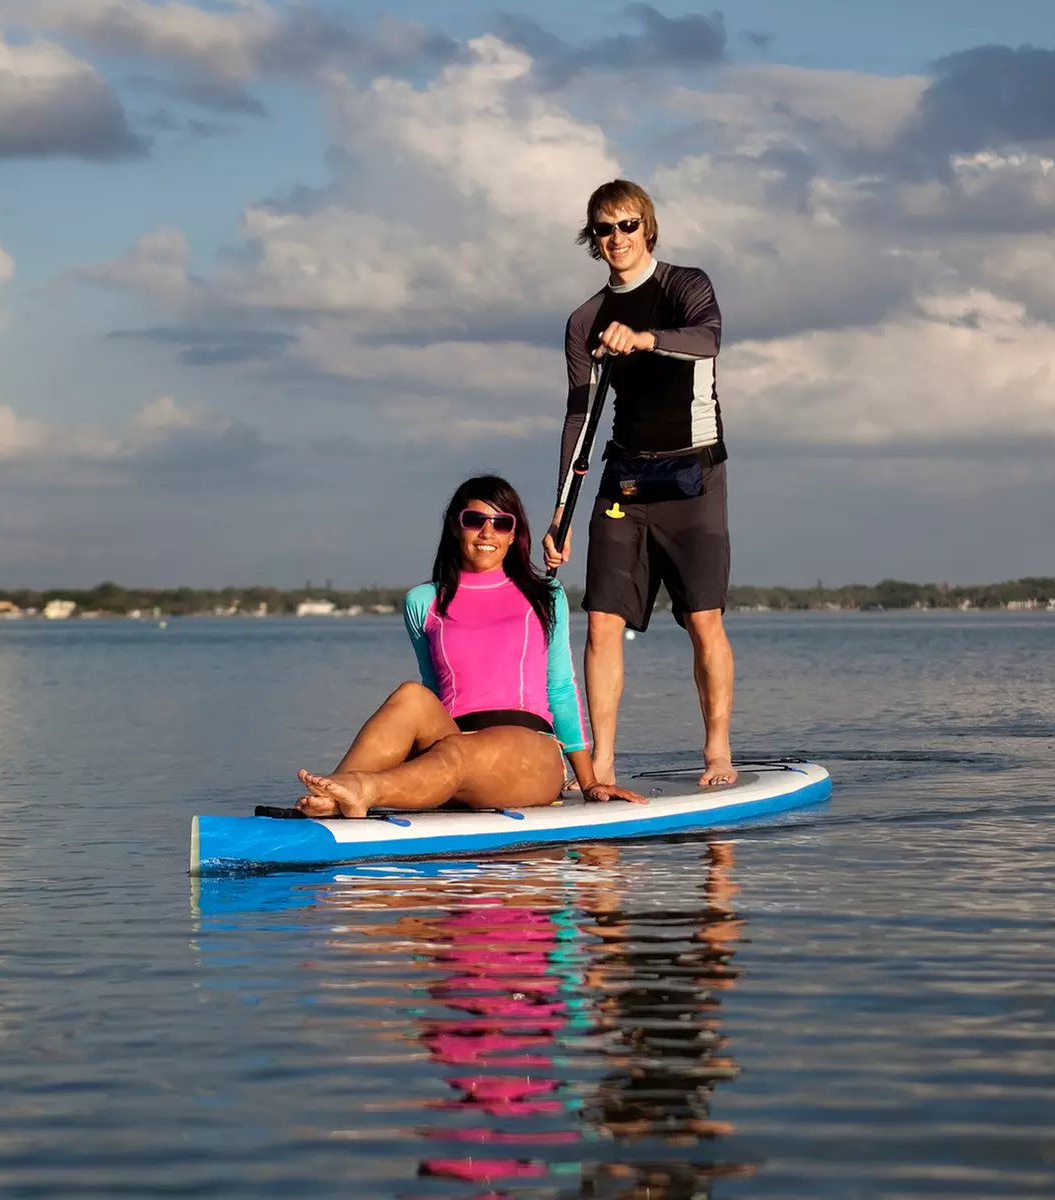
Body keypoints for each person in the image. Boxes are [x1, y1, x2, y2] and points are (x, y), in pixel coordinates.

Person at [296, 475, 645, 817]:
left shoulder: (544, 596)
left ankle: (361, 790)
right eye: (475, 520)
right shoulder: (424, 601)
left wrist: (590, 783)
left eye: (501, 523)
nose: (488, 532)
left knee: (458, 751)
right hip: (452, 742)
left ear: (514, 535)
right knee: (412, 696)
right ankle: (334, 794)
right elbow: (435, 692)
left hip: (529, 752)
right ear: (455, 526)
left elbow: (560, 689)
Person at [542, 178, 738, 789]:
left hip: (694, 476)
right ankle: (600, 766)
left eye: (627, 225)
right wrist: (560, 513)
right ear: (592, 240)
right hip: (625, 479)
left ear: (647, 229)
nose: (617, 238)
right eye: (604, 229)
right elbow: (581, 415)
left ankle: (717, 752)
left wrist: (644, 339)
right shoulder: (585, 320)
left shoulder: (686, 286)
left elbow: (708, 339)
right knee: (601, 621)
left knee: (703, 620)